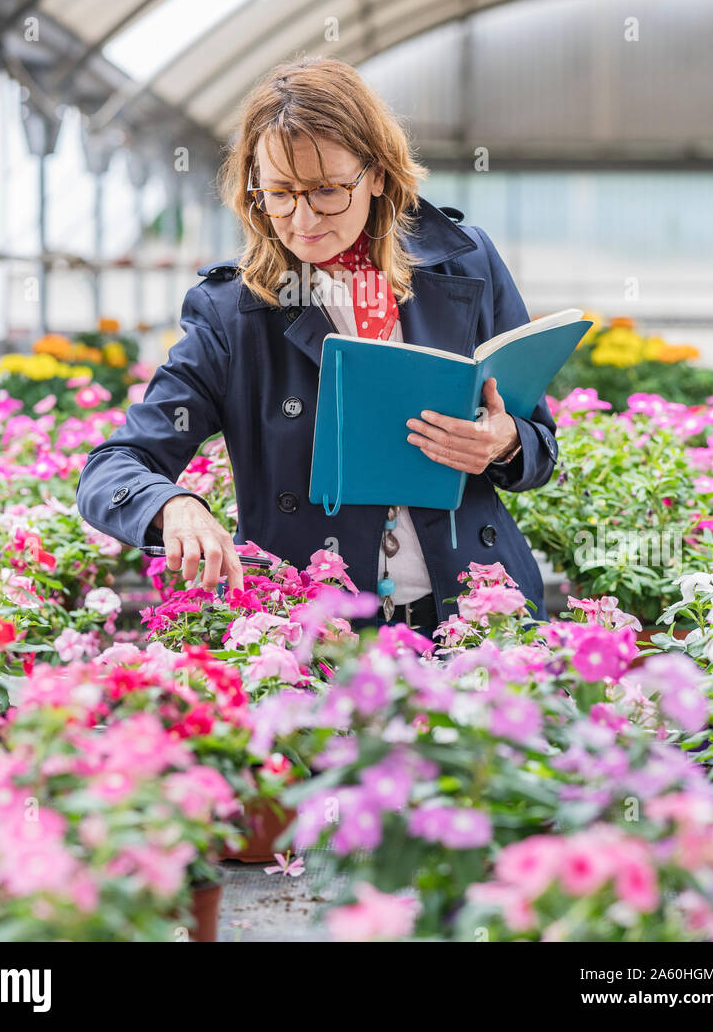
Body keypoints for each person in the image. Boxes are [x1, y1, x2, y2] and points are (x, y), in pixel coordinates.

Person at [75, 59, 559, 639]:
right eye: (279, 194)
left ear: (377, 173)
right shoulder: (233, 312)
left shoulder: (465, 263)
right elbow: (113, 467)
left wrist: (503, 442)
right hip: (318, 636)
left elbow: (539, 444)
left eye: (327, 190)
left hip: (477, 614)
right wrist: (174, 506)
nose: (302, 219)